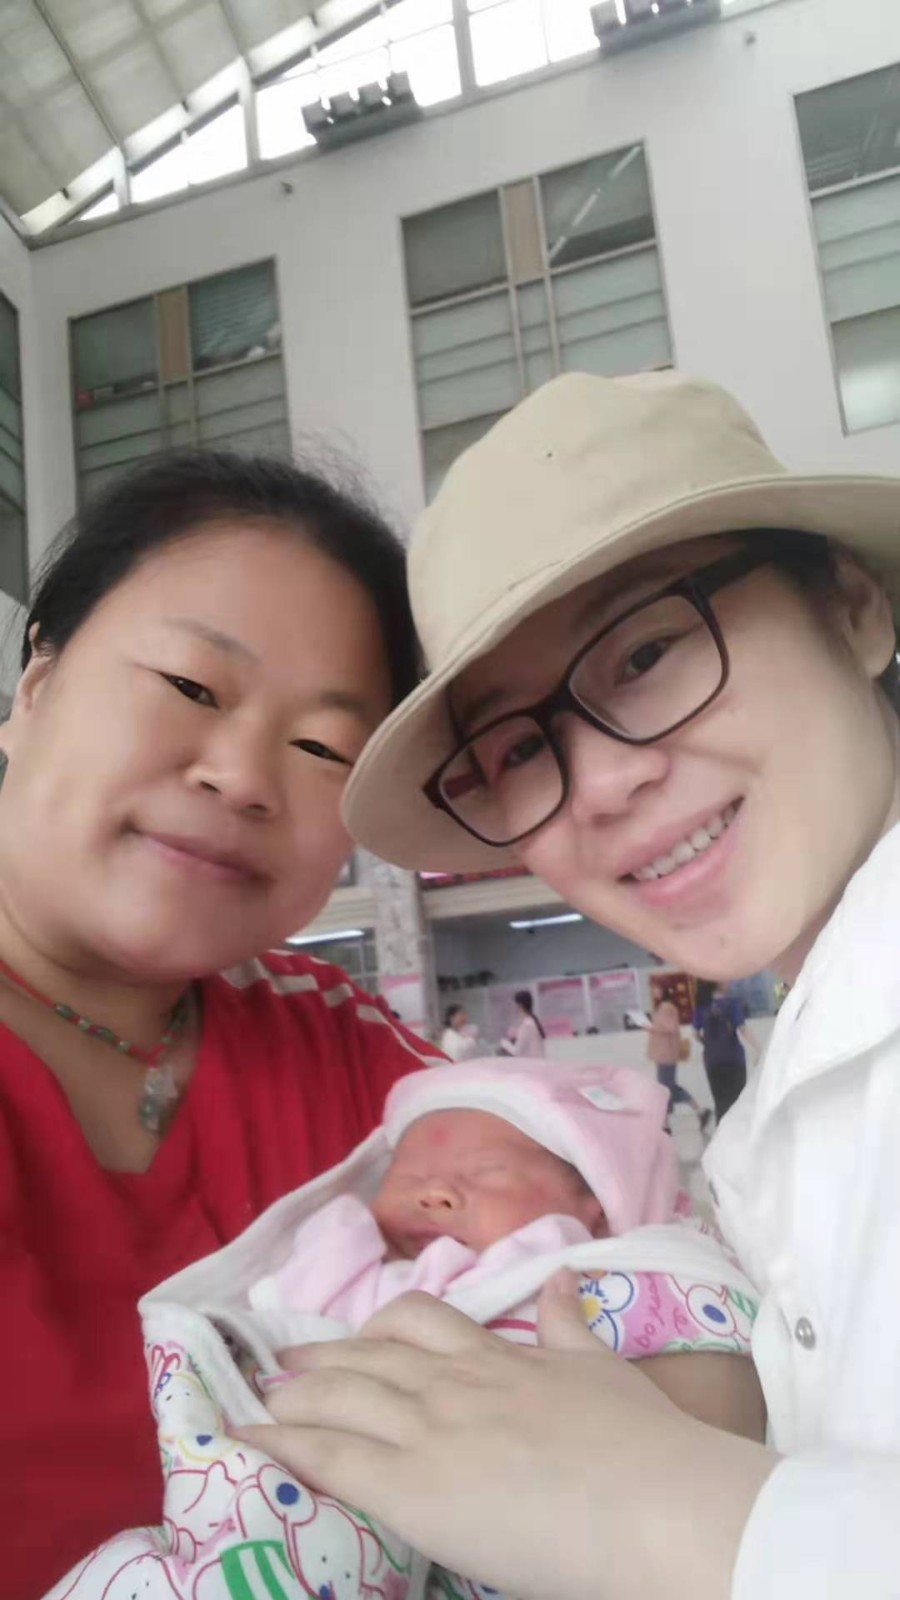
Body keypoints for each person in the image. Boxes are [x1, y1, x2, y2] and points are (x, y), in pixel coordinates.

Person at [261, 371, 900, 1598]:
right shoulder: (776, 1109)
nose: (601, 783)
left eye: (647, 651)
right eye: (517, 747)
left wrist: (682, 1513)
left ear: (854, 606)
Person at [0, 450, 439, 1600]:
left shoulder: (344, 1051)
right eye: (193, 686)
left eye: (322, 749)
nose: (244, 776)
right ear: (35, 685)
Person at [50, 1060, 761, 1599]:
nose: (434, 1192)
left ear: (597, 1206)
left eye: (484, 1172)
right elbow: (300, 1304)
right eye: (409, 1174)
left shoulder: (579, 1264)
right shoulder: (379, 1272)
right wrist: (347, 1228)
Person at [647, 983, 711, 1132]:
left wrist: (650, 1027)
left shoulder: (667, 1007)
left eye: (656, 988)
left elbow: (670, 1028)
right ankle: (693, 1113)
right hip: (665, 1054)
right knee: (669, 1088)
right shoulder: (665, 1007)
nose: (653, 991)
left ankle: (667, 1123)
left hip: (666, 1054)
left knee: (666, 1089)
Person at [693, 979, 756, 1124]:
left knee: (720, 1102)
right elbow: (743, 1028)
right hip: (733, 1057)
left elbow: (695, 1034)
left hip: (712, 1059)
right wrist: (759, 1048)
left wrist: (708, 1044)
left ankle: (722, 1134)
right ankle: (739, 1133)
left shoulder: (701, 1006)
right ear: (718, 983)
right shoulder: (732, 1004)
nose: (729, 982)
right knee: (738, 1101)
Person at [499, 987, 546, 1057]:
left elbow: (517, 1051)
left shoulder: (527, 1025)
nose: (513, 1007)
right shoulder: (532, 1021)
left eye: (514, 1004)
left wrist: (504, 1043)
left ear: (520, 1005)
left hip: (533, 1062)